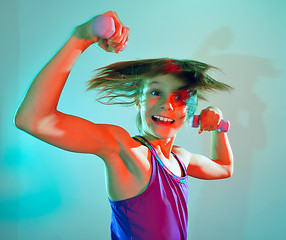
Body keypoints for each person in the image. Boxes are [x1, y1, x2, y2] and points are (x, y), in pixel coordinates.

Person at [14, 11, 234, 240]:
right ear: (139, 99)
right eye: (155, 92)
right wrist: (82, 37)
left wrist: (219, 126)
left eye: (179, 98)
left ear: (190, 108)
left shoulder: (180, 159)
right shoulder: (126, 149)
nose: (166, 105)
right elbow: (33, 119)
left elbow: (224, 167)